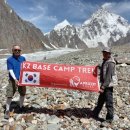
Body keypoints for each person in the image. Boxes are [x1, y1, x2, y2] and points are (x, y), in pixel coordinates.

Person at [92, 47, 118, 125]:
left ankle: (109, 118)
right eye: (103, 52)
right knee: (100, 101)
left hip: (108, 86)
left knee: (109, 103)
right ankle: (95, 113)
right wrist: (98, 67)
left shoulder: (111, 63)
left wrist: (103, 87)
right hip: (104, 85)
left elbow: (108, 77)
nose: (104, 54)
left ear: (109, 54)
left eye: (106, 53)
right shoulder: (105, 61)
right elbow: (103, 68)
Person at [4, 45, 26, 119]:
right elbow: (10, 70)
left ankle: (20, 106)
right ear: (12, 50)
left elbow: (26, 68)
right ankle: (7, 110)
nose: (17, 51)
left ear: (20, 51)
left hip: (22, 80)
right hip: (13, 80)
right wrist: (15, 79)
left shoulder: (23, 58)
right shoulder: (9, 59)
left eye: (18, 50)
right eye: (15, 50)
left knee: (22, 93)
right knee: (9, 94)